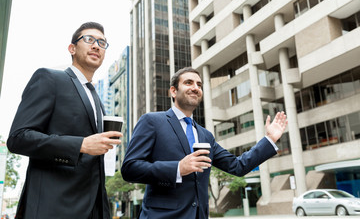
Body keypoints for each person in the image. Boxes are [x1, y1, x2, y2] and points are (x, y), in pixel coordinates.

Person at [121, 67, 288, 219]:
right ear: (173, 91)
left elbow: (238, 166)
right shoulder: (152, 121)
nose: (195, 87)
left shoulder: (206, 135)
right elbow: (130, 168)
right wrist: (178, 168)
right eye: (188, 83)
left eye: (199, 85)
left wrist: (269, 140)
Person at [7, 22, 122, 219]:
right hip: (54, 207)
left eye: (102, 43)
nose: (96, 45)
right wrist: (81, 145)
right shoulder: (49, 78)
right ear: (72, 48)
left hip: (94, 208)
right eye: (89, 39)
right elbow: (18, 138)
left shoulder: (97, 99)